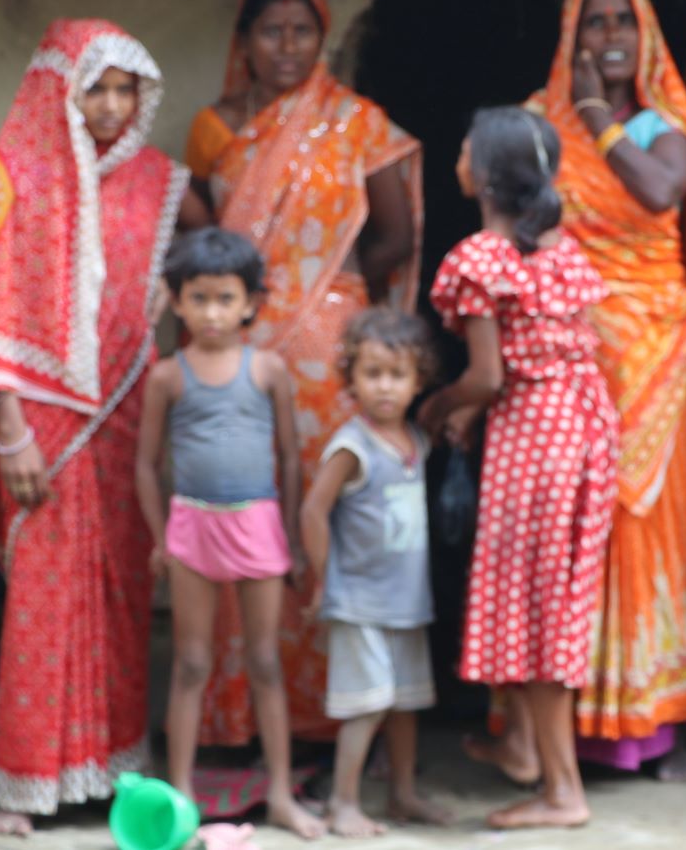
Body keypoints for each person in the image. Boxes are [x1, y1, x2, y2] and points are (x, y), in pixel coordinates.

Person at [0, 19, 195, 835]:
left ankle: (109, 766)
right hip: (42, 427)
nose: (112, 105)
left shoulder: (158, 182)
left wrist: (171, 296)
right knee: (45, 598)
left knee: (119, 595)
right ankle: (24, 787)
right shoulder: (16, 178)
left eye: (127, 89)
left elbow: (186, 279)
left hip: (124, 420)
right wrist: (8, 428)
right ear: (62, 89)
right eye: (97, 88)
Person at [184, 0, 423, 745]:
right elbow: (199, 240)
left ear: (323, 40)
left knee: (326, 520)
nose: (287, 48)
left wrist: (326, 294)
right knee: (245, 513)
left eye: (302, 32)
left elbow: (396, 235)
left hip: (329, 356)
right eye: (270, 32)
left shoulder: (357, 123)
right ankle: (239, 721)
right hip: (236, 348)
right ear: (243, 42)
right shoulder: (214, 129)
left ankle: (330, 724)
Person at [522, 0, 686, 771]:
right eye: (592, 22)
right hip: (561, 351)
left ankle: (641, 721)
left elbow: (657, 192)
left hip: (652, 353)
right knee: (567, 530)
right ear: (568, 38)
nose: (608, 35)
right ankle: (552, 730)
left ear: (645, 38)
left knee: (640, 527)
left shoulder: (657, 125)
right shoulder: (539, 125)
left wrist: (600, 118)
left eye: (622, 21)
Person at [421, 107, 621, 830]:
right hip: (582, 430)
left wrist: (439, 407)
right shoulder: (559, 251)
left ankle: (561, 792)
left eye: (465, 148)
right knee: (553, 601)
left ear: (484, 172)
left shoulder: (480, 259)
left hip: (534, 443)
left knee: (539, 615)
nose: (458, 156)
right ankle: (530, 756)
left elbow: (485, 376)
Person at [132, 228, 324, 839]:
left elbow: (291, 459)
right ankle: (181, 798)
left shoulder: (268, 370)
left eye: (225, 299)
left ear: (250, 303)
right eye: (198, 299)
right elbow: (145, 464)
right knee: (191, 663)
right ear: (177, 302)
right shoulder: (168, 376)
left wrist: (292, 536)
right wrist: (162, 536)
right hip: (192, 527)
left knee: (266, 661)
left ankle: (280, 796)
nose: (212, 313)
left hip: (259, 524)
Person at [299, 308, 450, 837]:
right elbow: (314, 510)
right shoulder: (352, 445)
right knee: (368, 705)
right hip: (359, 600)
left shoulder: (416, 441)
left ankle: (402, 794)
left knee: (406, 702)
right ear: (353, 377)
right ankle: (344, 802)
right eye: (372, 374)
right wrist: (323, 579)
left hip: (406, 600)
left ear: (418, 381)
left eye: (397, 375)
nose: (384, 387)